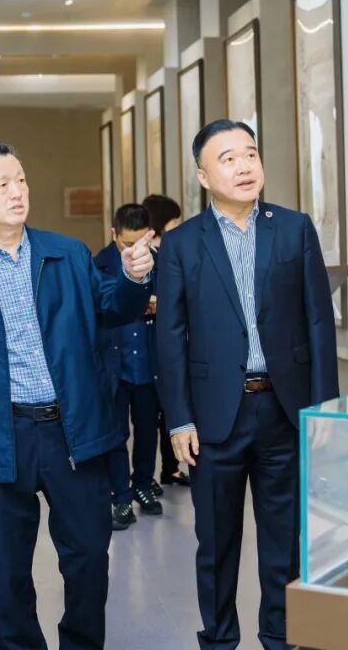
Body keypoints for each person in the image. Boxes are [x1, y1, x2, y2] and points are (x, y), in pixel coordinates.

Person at [0, 141, 154, 650]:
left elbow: (115, 307)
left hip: (74, 434)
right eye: (2, 184)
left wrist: (135, 277)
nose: (17, 192)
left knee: (88, 560)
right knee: (8, 576)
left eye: (21, 180)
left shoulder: (67, 254)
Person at [157, 120, 338, 650]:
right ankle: (219, 639)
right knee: (216, 543)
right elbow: (170, 338)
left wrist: (322, 408)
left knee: (285, 541)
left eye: (251, 154)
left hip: (283, 409)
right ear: (203, 176)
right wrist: (179, 419)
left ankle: (280, 637)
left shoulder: (294, 229)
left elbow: (318, 322)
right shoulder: (182, 244)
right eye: (229, 158)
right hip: (214, 416)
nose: (244, 167)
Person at [95, 203, 164, 531]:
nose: (134, 250)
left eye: (140, 243)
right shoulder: (99, 265)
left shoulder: (162, 264)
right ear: (114, 235)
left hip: (149, 363)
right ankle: (120, 495)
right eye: (126, 243)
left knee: (148, 429)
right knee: (116, 433)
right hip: (114, 364)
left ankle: (143, 484)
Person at [141, 193, 189, 491]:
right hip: (149, 340)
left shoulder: (173, 251)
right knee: (150, 414)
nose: (178, 226)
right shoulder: (144, 254)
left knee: (171, 407)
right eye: (173, 221)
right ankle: (145, 478)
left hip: (172, 336)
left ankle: (170, 468)